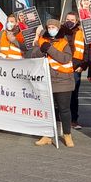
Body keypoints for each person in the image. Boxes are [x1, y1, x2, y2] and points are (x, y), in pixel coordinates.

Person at [26, 19, 75, 147]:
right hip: (46, 80)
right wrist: (42, 49)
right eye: (49, 27)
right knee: (47, 110)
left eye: (54, 27)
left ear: (58, 28)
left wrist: (50, 49)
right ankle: (47, 135)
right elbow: (33, 55)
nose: (51, 29)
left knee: (64, 110)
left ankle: (67, 135)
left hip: (63, 81)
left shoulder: (64, 41)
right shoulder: (42, 40)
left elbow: (65, 58)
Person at [63, 12, 91, 130]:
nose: (69, 21)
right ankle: (62, 119)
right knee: (61, 95)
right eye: (67, 19)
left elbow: (86, 51)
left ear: (76, 21)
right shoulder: (61, 32)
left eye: (72, 19)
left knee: (73, 96)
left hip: (76, 69)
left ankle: (74, 120)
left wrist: (83, 66)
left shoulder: (82, 33)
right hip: (62, 68)